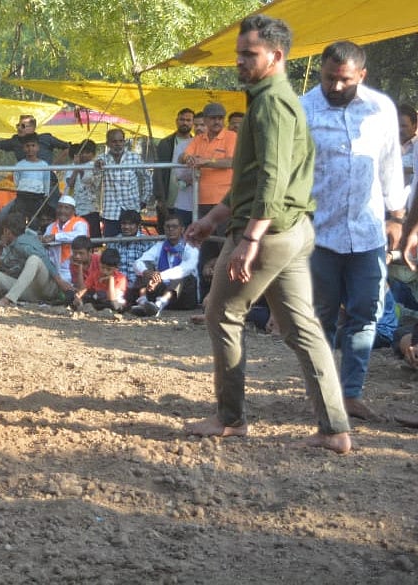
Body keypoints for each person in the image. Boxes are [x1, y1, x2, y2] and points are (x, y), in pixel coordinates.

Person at [182, 14, 351, 453]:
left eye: (249, 54)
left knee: (222, 313)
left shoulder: (271, 103)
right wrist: (215, 220)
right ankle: (334, 429)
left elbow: (273, 178)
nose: (240, 61)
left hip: (269, 234)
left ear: (276, 56)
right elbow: (253, 178)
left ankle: (230, 418)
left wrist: (249, 239)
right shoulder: (277, 99)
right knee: (303, 329)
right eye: (239, 53)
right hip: (292, 230)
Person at [301, 41, 405, 421]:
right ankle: (322, 394)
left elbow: (391, 165)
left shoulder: (381, 109)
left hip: (368, 233)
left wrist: (396, 216)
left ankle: (351, 393)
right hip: (318, 233)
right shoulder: (302, 109)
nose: (336, 87)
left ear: (361, 75)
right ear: (321, 74)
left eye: (345, 80)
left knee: (366, 313)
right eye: (329, 78)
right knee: (321, 317)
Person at [0, 212, 67, 306]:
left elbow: (44, 259)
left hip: (46, 288)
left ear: (7, 231)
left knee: (34, 259)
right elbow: (3, 266)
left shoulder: (23, 242)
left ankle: (7, 300)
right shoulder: (11, 244)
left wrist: (59, 281)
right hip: (31, 291)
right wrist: (3, 246)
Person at [129, 216, 199, 317]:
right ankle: (143, 302)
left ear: (182, 229)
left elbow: (183, 269)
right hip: (161, 291)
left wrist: (160, 276)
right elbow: (137, 262)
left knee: (180, 274)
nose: (171, 229)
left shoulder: (190, 248)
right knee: (144, 266)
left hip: (184, 298)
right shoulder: (159, 246)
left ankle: (158, 305)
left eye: (174, 227)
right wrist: (147, 273)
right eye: (168, 227)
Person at [93, 128, 152, 237]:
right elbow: (94, 184)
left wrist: (144, 199)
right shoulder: (101, 159)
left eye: (121, 141)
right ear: (107, 143)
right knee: (111, 246)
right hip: (111, 212)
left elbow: (147, 178)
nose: (118, 144)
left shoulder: (134, 158)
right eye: (114, 141)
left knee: (132, 245)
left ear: (124, 142)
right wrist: (97, 168)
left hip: (132, 209)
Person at [153, 108, 196, 231]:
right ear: (176, 121)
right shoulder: (165, 143)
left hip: (188, 200)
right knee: (166, 232)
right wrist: (159, 198)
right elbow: (158, 172)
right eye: (182, 119)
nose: (185, 123)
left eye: (188, 120)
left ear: (193, 123)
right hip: (168, 197)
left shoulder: (197, 143)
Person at [64, 139, 101, 237]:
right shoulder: (72, 166)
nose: (84, 155)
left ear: (93, 154)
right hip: (75, 208)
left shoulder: (95, 166)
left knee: (92, 238)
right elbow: (70, 183)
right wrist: (76, 168)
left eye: (88, 153)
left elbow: (93, 183)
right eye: (82, 152)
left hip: (91, 208)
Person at [80, 247, 128, 312]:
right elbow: (84, 288)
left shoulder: (121, 278)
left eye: (108, 269)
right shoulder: (95, 274)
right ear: (99, 264)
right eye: (102, 267)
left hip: (114, 302)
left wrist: (111, 280)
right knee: (85, 297)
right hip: (100, 300)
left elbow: (112, 299)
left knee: (113, 305)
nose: (104, 271)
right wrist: (78, 296)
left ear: (116, 268)